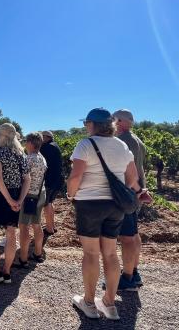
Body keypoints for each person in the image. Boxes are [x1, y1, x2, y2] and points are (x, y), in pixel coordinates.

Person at [67, 108, 147, 320]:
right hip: (115, 207)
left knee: (91, 253)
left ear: (92, 125)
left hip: (89, 205)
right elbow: (132, 179)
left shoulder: (85, 144)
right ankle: (109, 304)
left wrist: (70, 195)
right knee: (110, 253)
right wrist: (139, 192)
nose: (86, 127)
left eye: (87, 124)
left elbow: (75, 177)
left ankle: (89, 303)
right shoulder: (122, 146)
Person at [0, 123, 30, 284]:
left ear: (1, 136)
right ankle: (7, 273)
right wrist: (18, 201)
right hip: (16, 194)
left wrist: (9, 200)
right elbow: (27, 179)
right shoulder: (20, 154)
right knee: (11, 233)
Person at [112, 109, 149, 290]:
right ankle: (133, 271)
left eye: (113, 119)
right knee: (133, 234)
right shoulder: (137, 140)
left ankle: (127, 278)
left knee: (127, 237)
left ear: (120, 121)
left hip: (127, 194)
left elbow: (126, 172)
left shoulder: (123, 141)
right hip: (136, 193)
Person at [17, 132, 47, 267]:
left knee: (23, 227)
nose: (24, 144)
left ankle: (23, 259)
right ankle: (38, 254)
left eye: (25, 142)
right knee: (37, 224)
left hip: (29, 196)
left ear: (30, 143)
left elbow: (22, 179)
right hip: (41, 194)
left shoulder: (28, 159)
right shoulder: (42, 158)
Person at [39, 130, 64, 237]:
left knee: (47, 204)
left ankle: (49, 229)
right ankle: (52, 226)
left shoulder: (46, 147)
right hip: (58, 180)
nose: (40, 140)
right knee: (50, 203)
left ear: (46, 137)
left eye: (41, 137)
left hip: (50, 180)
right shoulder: (55, 146)